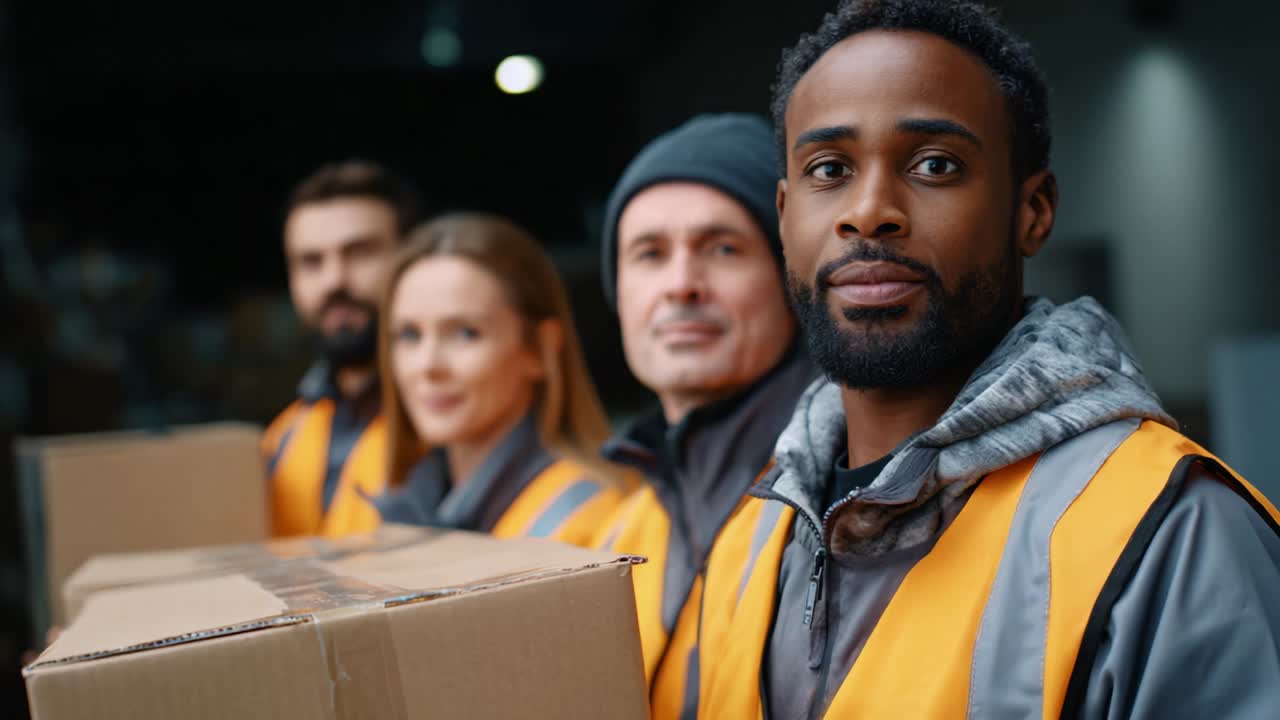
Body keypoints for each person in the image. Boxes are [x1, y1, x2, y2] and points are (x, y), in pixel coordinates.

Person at [697, 2, 1280, 718]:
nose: (870, 209)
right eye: (830, 169)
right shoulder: (750, 537)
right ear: (785, 217)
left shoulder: (1176, 533)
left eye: (935, 164)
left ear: (1032, 211)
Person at [594, 114, 815, 718]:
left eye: (722, 248)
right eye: (649, 254)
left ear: (791, 279)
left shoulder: (850, 499)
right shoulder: (615, 528)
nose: (681, 285)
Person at [368, 212, 625, 546]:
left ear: (539, 349)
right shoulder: (409, 504)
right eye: (409, 335)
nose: (427, 365)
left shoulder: (590, 520)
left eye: (465, 333)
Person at [262, 161, 422, 537]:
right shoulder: (282, 438)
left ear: (412, 259)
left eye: (360, 252)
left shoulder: (454, 419)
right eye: (310, 261)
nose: (334, 280)